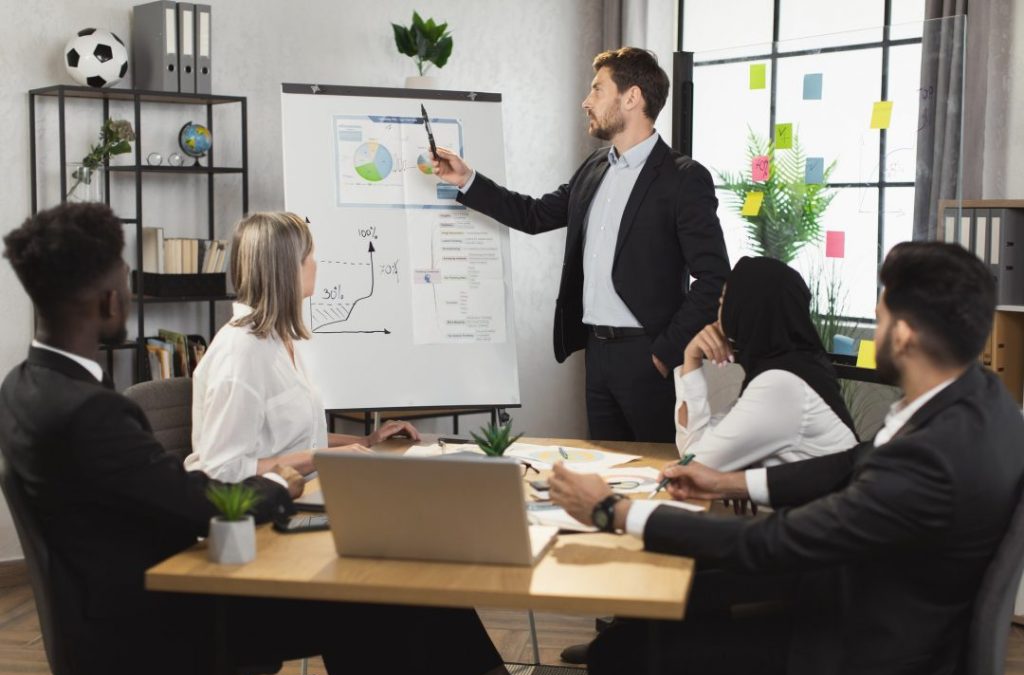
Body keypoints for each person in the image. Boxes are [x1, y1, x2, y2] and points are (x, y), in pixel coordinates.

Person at [0, 203, 511, 675]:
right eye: (126, 282)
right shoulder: (96, 413)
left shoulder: (24, 388)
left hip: (127, 603)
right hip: (170, 616)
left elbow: (165, 494)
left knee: (398, 587)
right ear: (110, 299)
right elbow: (199, 500)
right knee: (387, 592)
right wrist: (277, 485)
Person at [550, 241, 1024, 675]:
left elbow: (775, 541)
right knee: (678, 598)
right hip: (871, 592)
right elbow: (848, 462)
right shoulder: (975, 402)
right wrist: (727, 485)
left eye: (879, 321)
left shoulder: (932, 459)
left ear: (901, 335)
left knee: (623, 654)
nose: (876, 332)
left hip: (861, 649)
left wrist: (614, 510)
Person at [432, 47, 730, 443]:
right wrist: (468, 180)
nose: (586, 101)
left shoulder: (683, 178)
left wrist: (664, 352)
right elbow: (535, 215)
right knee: (607, 473)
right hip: (597, 354)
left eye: (597, 90)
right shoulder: (594, 167)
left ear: (632, 97)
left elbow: (714, 278)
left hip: (648, 356)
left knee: (658, 473)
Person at [184, 211, 419, 482]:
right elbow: (221, 469)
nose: (315, 265)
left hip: (304, 491)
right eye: (309, 256)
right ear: (286, 268)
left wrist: (367, 441)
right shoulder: (241, 353)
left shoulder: (280, 339)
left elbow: (298, 441)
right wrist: (324, 458)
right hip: (263, 510)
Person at [674, 256, 858, 470]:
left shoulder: (781, 384)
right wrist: (691, 356)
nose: (718, 313)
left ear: (745, 310)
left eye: (724, 302)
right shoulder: (798, 367)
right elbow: (695, 452)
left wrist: (691, 358)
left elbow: (695, 462)